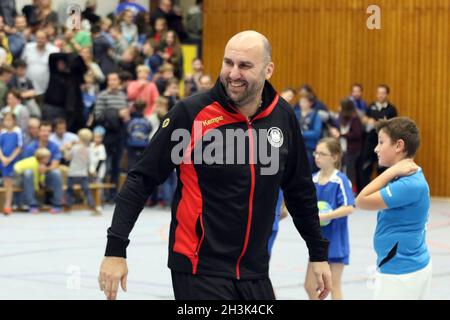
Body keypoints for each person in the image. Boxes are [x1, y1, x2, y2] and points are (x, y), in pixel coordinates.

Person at [99, 30, 331, 300]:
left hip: (254, 269)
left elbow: (299, 189)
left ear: (268, 70)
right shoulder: (190, 114)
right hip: (198, 267)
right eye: (228, 63)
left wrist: (318, 254)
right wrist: (115, 249)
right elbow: (141, 179)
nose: (233, 74)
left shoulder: (282, 116)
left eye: (244, 66)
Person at [355, 117, 431, 299]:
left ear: (399, 146)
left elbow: (361, 200)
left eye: (381, 142)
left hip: (401, 273)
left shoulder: (408, 183)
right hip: (403, 267)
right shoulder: (407, 178)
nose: (376, 148)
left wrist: (392, 171)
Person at [304, 138, 354, 300]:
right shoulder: (312, 180)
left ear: (334, 157)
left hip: (336, 241)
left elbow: (349, 207)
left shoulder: (340, 180)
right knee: (310, 286)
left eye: (322, 153)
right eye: (316, 153)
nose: (316, 157)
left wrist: (325, 216)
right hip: (318, 242)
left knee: (334, 287)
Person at [359, 85, 397, 191]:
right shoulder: (371, 106)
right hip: (370, 142)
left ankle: (384, 192)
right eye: (379, 93)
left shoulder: (391, 109)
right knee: (366, 168)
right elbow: (364, 118)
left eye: (383, 93)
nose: (380, 95)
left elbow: (392, 124)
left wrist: (377, 123)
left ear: (387, 94)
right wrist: (369, 120)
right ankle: (366, 191)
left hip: (384, 143)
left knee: (383, 168)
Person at [21, 121, 63, 214]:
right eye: (43, 131)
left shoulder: (54, 146)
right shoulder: (31, 147)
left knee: (56, 173)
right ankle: (32, 204)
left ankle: (57, 204)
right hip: (34, 176)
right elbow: (26, 164)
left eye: (49, 131)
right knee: (28, 173)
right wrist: (37, 169)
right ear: (38, 132)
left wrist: (45, 169)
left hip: (47, 175)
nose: (46, 133)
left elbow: (55, 164)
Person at [64, 128, 99, 214]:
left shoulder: (75, 148)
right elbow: (92, 161)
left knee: (69, 190)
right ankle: (93, 206)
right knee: (86, 191)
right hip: (83, 175)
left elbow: (67, 157)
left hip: (72, 174)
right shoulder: (89, 150)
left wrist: (65, 149)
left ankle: (68, 206)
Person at [0, 112, 22, 215]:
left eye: (9, 119)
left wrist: (9, 159)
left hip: (13, 161)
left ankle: (8, 205)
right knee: (6, 183)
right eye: (5, 120)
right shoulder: (2, 133)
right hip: (3, 161)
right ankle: (6, 205)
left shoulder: (17, 132)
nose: (7, 122)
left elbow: (19, 147)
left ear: (14, 120)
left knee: (10, 184)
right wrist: (3, 158)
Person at [126, 100, 152, 170]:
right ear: (144, 108)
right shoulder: (146, 121)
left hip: (132, 143)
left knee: (131, 162)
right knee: (141, 162)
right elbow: (149, 130)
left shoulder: (131, 121)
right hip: (143, 144)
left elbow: (128, 131)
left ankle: (130, 178)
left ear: (134, 108)